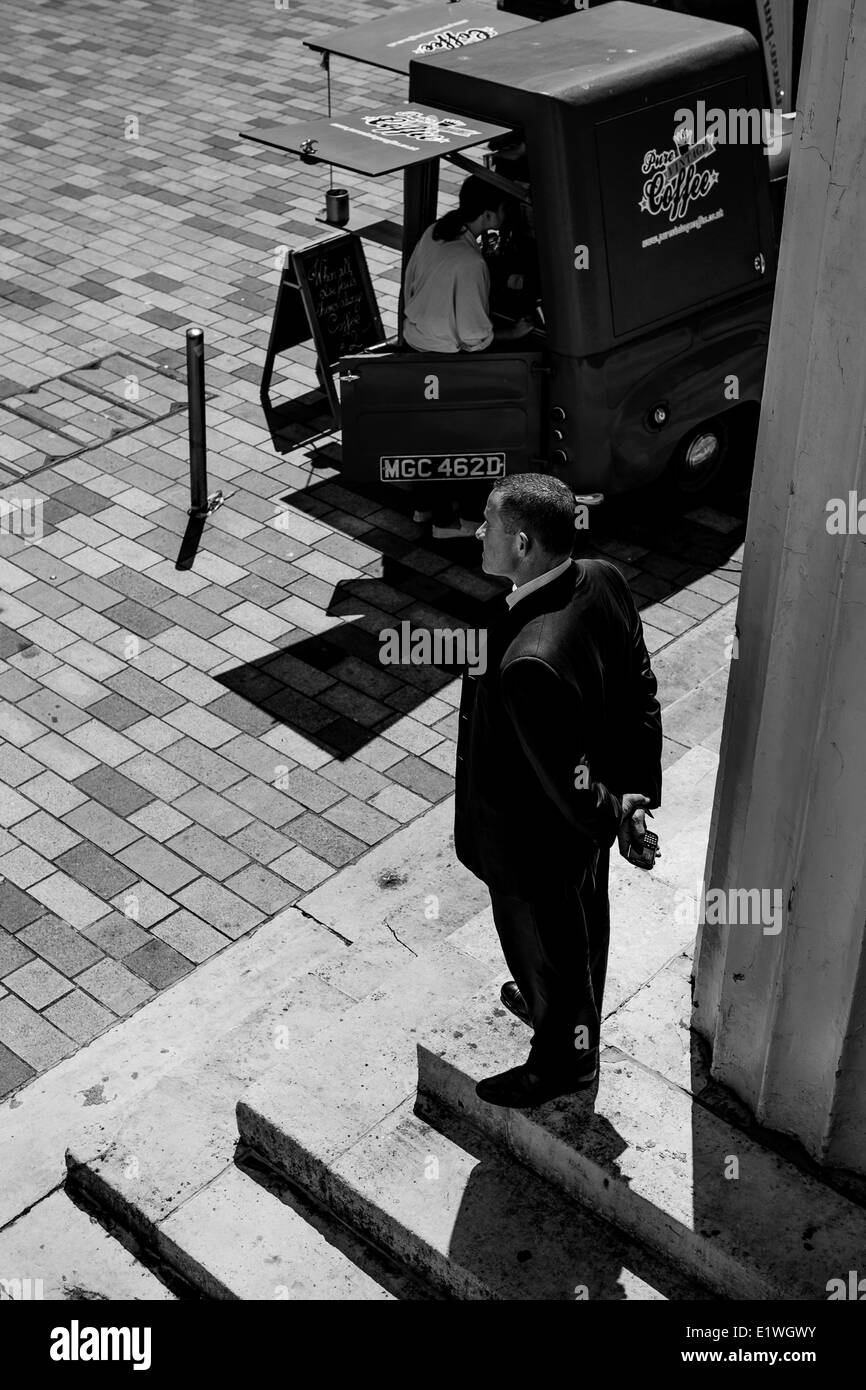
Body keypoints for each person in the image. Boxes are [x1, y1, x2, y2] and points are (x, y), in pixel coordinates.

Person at [454, 474, 663, 1108]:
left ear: (520, 542)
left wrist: (610, 815)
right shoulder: (602, 577)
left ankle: (564, 1060)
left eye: (486, 524)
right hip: (582, 829)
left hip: (532, 841)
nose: (476, 533)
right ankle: (559, 1009)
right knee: (581, 926)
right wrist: (630, 797)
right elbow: (639, 690)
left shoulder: (529, 660)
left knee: (547, 944)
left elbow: (569, 785)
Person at [402, 176, 536, 539]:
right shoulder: (470, 263)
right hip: (447, 360)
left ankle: (424, 508)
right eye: (506, 210)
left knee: (428, 438)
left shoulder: (434, 231)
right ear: (490, 214)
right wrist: (515, 333)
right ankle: (456, 524)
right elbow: (476, 337)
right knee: (468, 441)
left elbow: (412, 282)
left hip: (415, 346)